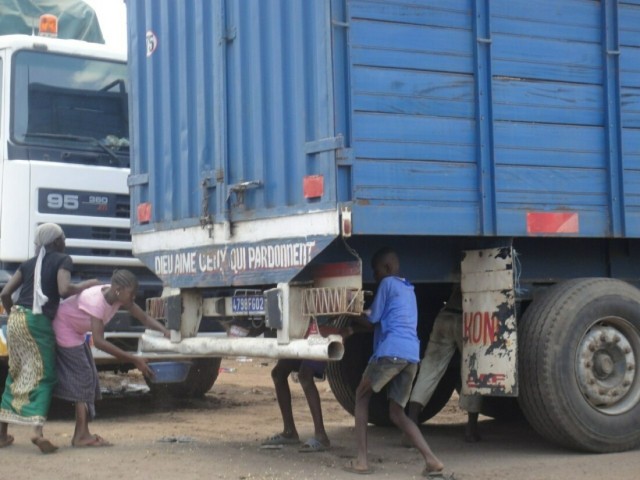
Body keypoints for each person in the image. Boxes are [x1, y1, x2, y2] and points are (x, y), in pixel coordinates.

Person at [343, 247, 449, 478]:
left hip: (391, 352)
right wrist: (353, 328)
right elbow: (377, 324)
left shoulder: (387, 283)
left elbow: (372, 318)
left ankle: (361, 461)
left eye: (376, 271)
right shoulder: (407, 288)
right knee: (397, 413)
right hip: (411, 355)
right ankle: (432, 460)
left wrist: (349, 308)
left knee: (361, 397)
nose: (375, 276)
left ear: (388, 268)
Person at [0, 223, 99, 453]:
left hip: (15, 320)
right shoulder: (63, 259)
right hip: (39, 322)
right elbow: (64, 289)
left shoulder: (27, 264)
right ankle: (36, 432)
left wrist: (15, 311)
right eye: (63, 239)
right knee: (45, 375)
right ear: (56, 242)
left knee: (16, 372)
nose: (65, 242)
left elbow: (5, 294)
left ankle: (2, 434)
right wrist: (86, 285)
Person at [52, 269, 170, 447]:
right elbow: (99, 342)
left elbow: (144, 317)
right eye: (131, 293)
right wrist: (133, 358)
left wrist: (166, 332)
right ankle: (80, 435)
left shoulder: (118, 297)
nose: (134, 297)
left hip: (76, 331)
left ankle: (83, 432)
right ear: (118, 290)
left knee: (90, 376)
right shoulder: (97, 303)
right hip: (63, 328)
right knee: (83, 377)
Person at [406, 286, 482, 443]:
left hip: (446, 315)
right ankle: (471, 429)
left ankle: (411, 424)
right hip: (469, 318)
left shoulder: (456, 266)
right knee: (473, 371)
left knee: (429, 369)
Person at [261, 324, 353, 453]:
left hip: (321, 336)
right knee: (278, 373)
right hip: (303, 333)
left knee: (305, 375)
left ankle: (321, 436)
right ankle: (289, 431)